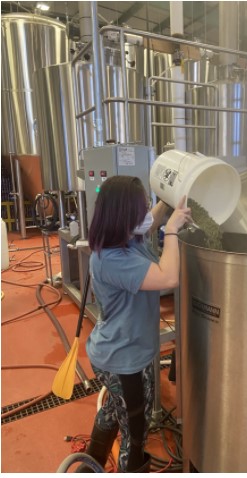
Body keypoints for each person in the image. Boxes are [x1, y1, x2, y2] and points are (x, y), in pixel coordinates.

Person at [76, 175, 191, 473]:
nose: (146, 213)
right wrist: (174, 230)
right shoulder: (114, 258)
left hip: (122, 351)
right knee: (136, 435)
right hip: (122, 360)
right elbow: (168, 277)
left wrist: (166, 201)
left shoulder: (125, 237)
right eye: (141, 207)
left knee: (115, 411)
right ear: (123, 215)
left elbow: (148, 224)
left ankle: (90, 466)